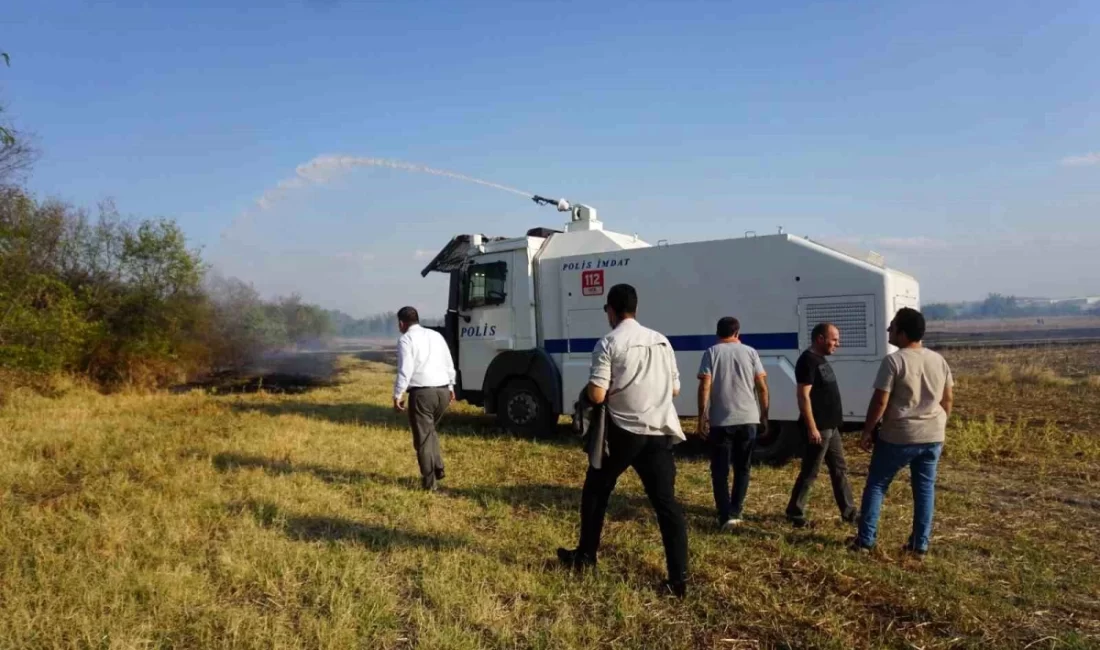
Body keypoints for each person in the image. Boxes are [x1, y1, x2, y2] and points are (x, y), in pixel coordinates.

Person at [557, 284, 690, 598]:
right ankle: (679, 578)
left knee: (596, 491)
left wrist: (588, 394)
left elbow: (598, 394)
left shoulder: (608, 343)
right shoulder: (661, 341)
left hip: (623, 431)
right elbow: (674, 391)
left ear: (611, 310)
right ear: (636, 308)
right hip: (658, 431)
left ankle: (586, 556)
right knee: (666, 505)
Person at [851, 307, 954, 557]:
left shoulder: (894, 361)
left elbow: (880, 402)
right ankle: (920, 546)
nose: (889, 329)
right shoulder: (938, 360)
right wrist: (939, 423)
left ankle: (865, 542)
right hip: (933, 436)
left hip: (899, 435)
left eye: (893, 326)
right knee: (925, 490)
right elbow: (948, 399)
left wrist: (867, 431)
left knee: (877, 484)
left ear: (903, 333)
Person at [696, 317, 769, 530]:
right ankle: (736, 511)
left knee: (720, 470)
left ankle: (724, 513)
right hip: (748, 419)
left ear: (718, 333)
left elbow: (705, 387)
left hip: (721, 420)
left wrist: (702, 416)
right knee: (743, 467)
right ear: (737, 332)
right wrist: (764, 415)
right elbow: (762, 387)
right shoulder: (751, 352)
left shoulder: (711, 353)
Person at [785, 322, 857, 528]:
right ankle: (795, 512)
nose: (837, 343)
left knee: (839, 468)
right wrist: (812, 427)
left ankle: (849, 512)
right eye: (834, 339)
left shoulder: (820, 360)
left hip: (831, 427)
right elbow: (803, 396)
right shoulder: (807, 361)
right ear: (820, 339)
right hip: (819, 428)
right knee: (811, 470)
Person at [392, 306, 456, 491]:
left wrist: (398, 394)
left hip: (422, 393)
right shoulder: (436, 336)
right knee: (429, 431)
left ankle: (430, 484)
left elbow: (406, 369)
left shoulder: (406, 339)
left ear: (401, 323)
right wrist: (451, 386)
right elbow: (448, 362)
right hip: (443, 392)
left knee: (422, 439)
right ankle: (438, 466)